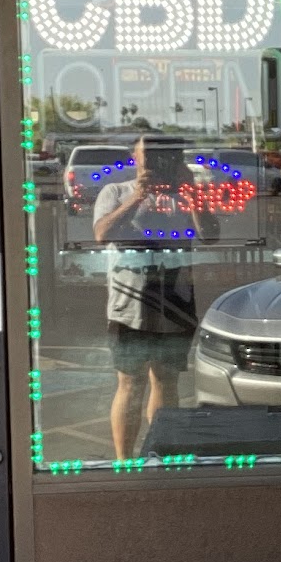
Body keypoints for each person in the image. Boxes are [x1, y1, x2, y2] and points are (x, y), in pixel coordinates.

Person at [92, 139, 197, 459]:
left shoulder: (181, 197)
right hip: (129, 304)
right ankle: (125, 461)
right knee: (130, 382)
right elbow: (101, 234)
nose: (154, 161)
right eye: (147, 154)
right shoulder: (115, 192)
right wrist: (136, 198)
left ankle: (161, 456)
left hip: (174, 301)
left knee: (166, 380)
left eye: (161, 155)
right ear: (134, 157)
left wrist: (192, 195)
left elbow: (211, 235)